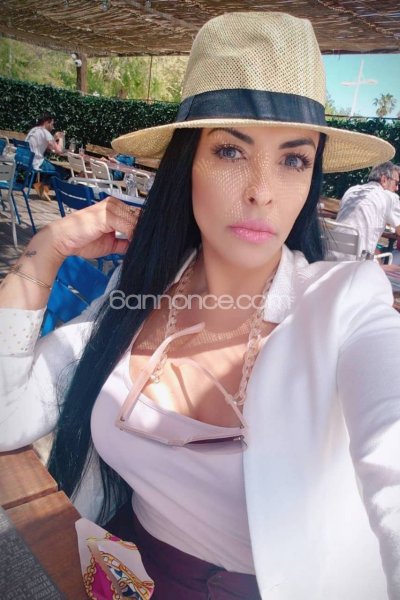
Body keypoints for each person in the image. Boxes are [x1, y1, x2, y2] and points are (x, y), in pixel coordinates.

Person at [1, 12, 399, 600]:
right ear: (186, 162)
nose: (262, 191)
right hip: (120, 574)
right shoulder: (140, 291)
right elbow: (7, 414)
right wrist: (45, 250)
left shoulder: (346, 307)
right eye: (231, 152)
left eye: (293, 159)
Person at [335, 161, 400, 256]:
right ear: (384, 179)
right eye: (396, 183)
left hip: (332, 253)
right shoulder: (390, 197)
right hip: (360, 260)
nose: (397, 188)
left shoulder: (352, 190)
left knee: (376, 253)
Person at [25, 112, 65, 201]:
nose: (53, 127)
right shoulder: (45, 132)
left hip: (27, 160)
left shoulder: (33, 130)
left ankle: (42, 189)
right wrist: (61, 138)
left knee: (52, 169)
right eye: (52, 124)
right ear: (47, 122)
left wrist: (53, 139)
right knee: (60, 171)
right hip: (36, 162)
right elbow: (59, 151)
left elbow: (47, 147)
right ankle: (54, 194)